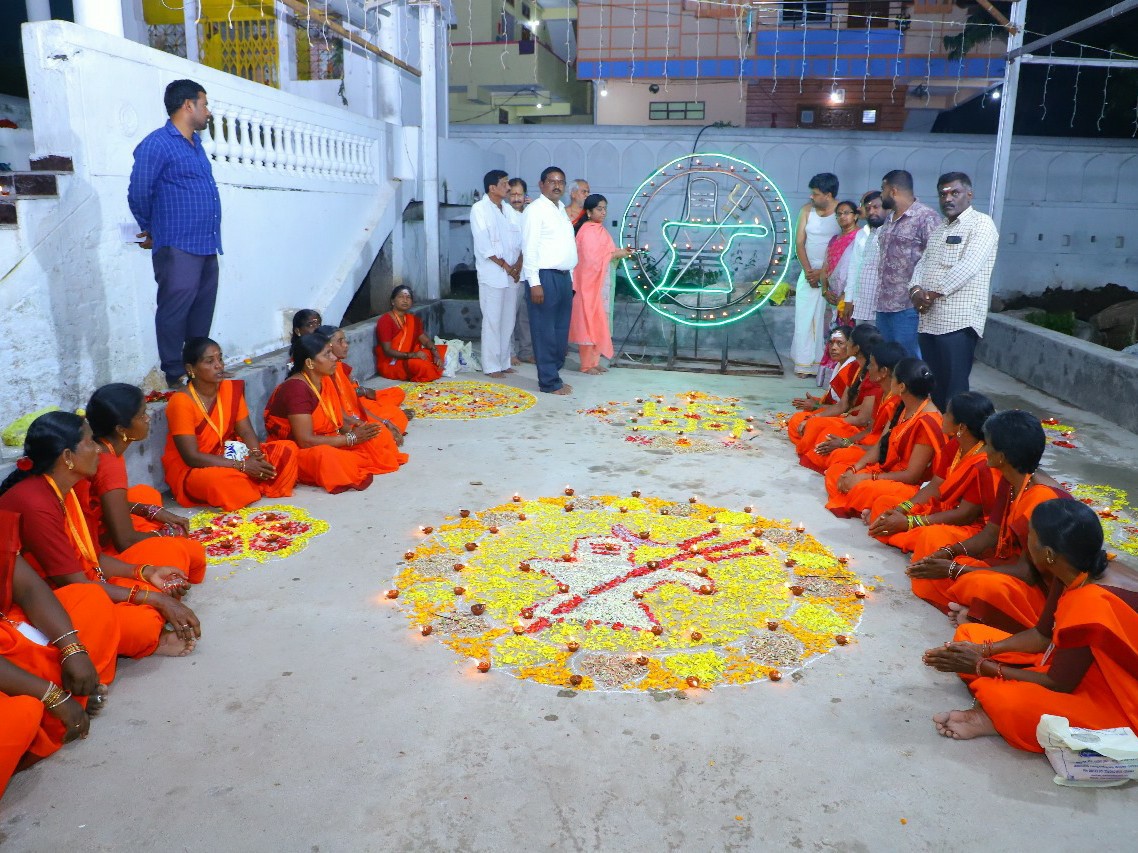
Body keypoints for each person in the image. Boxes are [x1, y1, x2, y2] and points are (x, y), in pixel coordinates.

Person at [923, 499, 1138, 751]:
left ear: (1048, 553)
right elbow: (1041, 635)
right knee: (969, 634)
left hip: (1118, 700)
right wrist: (983, 651)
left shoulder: (1090, 603)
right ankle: (990, 710)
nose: (1026, 543)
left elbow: (1059, 684)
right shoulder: (1072, 570)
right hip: (1069, 664)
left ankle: (992, 715)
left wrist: (981, 666)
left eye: (1031, 537)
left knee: (1008, 700)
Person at [0, 413, 200, 659]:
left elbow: (92, 557)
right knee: (140, 626)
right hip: (49, 602)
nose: (98, 449)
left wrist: (146, 572)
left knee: (171, 554)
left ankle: (145, 624)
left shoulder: (71, 488)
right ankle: (147, 637)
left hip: (89, 582)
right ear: (67, 457)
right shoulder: (35, 502)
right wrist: (154, 598)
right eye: (90, 442)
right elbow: (76, 585)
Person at [907, 410, 1070, 632]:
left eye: (988, 444)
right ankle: (975, 610)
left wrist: (955, 569)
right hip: (1005, 563)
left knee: (978, 584)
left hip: (1041, 592)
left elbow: (1027, 573)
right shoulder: (1010, 480)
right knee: (934, 541)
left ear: (1001, 456)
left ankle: (980, 612)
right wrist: (949, 552)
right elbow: (990, 534)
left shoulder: (1041, 498)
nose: (984, 449)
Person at [1, 509, 118, 796]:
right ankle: (59, 703)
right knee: (19, 716)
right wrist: (51, 696)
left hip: (11, 633)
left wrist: (72, 649)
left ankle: (61, 701)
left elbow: (27, 588)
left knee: (90, 600)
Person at [127, 79, 222, 389]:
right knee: (174, 309)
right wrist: (153, 229)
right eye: (204, 104)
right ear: (188, 106)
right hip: (178, 243)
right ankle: (174, 371)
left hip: (206, 242)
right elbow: (139, 191)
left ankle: (199, 370)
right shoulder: (157, 143)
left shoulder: (196, 145)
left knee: (201, 310)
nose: (208, 111)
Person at [81, 384, 207, 585]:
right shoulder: (108, 463)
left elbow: (103, 502)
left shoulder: (106, 449)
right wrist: (167, 534)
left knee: (145, 495)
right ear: (122, 429)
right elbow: (125, 541)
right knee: (190, 552)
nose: (148, 419)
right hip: (96, 550)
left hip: (102, 525)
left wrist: (151, 511)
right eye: (141, 415)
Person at [163, 338, 299, 510]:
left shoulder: (229, 389)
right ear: (191, 369)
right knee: (221, 483)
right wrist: (243, 466)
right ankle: (250, 481)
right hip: (198, 469)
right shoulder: (181, 402)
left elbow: (246, 431)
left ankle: (250, 479)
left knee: (288, 450)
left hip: (231, 455)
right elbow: (192, 457)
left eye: (220, 359)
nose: (219, 365)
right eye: (210, 361)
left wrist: (257, 456)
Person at [266, 333, 408, 493]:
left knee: (377, 433)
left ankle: (355, 460)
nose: (334, 358)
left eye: (332, 352)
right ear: (309, 363)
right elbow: (305, 441)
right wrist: (351, 439)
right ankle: (352, 462)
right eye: (327, 354)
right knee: (328, 457)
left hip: (331, 439)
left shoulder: (323, 379)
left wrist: (362, 429)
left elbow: (338, 419)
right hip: (304, 450)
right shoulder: (296, 389)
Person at [868, 392, 998, 566]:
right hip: (941, 511)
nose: (942, 416)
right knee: (884, 504)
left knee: (930, 538)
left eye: (947, 414)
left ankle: (911, 540)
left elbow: (965, 515)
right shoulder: (956, 445)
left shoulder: (984, 463)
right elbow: (935, 485)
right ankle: (908, 538)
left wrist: (909, 522)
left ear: (961, 427)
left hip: (968, 527)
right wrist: (901, 509)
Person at [911, 172, 1000, 411]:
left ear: (969, 195)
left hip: (958, 322)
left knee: (955, 388)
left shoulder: (981, 224)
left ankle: (955, 442)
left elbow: (969, 266)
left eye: (954, 193)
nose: (947, 198)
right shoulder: (940, 229)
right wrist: (916, 290)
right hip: (929, 320)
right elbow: (923, 263)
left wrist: (930, 295)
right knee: (934, 385)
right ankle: (936, 437)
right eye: (943, 194)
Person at [825, 358, 944, 518]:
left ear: (901, 387)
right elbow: (881, 444)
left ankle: (867, 504)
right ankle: (864, 505)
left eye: (893, 378)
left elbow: (911, 476)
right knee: (836, 471)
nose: (890, 381)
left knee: (863, 488)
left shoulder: (928, 421)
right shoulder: (903, 405)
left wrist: (867, 477)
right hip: (885, 470)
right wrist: (854, 469)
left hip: (907, 485)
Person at [797, 337, 902, 474]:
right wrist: (845, 442)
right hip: (866, 441)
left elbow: (881, 446)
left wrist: (846, 444)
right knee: (820, 434)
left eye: (872, 365)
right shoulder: (881, 392)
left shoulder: (896, 401)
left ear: (883, 372)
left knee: (835, 459)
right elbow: (870, 429)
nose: (868, 368)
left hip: (879, 453)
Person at [521, 166, 578, 395]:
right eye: (552, 181)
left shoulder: (561, 209)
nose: (557, 185)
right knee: (544, 332)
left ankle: (554, 375)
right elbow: (529, 247)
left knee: (560, 332)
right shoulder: (535, 210)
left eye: (561, 182)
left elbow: (566, 246)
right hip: (544, 277)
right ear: (542, 184)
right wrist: (534, 282)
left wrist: (570, 280)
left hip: (563, 278)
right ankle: (548, 382)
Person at [875, 170, 941, 357]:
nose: (881, 194)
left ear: (893, 191)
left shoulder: (926, 217)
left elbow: (935, 258)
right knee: (886, 361)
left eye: (883, 189)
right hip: (883, 305)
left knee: (909, 362)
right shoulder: (889, 219)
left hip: (908, 307)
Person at [570, 194, 632, 375]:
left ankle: (595, 361)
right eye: (599, 209)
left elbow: (607, 253)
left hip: (602, 284)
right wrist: (614, 255)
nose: (603, 212)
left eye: (605, 208)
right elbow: (591, 260)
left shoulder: (600, 230)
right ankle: (586, 364)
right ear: (588, 212)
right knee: (588, 321)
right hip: (589, 285)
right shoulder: (587, 231)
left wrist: (621, 252)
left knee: (600, 320)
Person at [471, 170, 522, 378]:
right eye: (504, 183)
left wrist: (518, 265)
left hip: (512, 275)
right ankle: (491, 365)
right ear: (492, 188)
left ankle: (503, 361)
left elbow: (521, 240)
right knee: (492, 320)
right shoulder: (479, 209)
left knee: (508, 320)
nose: (508, 188)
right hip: (493, 273)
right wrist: (507, 267)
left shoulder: (509, 211)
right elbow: (484, 245)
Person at [790, 173, 841, 378]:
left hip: (833, 273)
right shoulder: (806, 210)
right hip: (808, 270)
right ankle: (803, 364)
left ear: (828, 195)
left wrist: (824, 273)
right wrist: (808, 271)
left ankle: (823, 364)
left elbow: (844, 245)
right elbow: (799, 243)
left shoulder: (842, 211)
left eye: (816, 194)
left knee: (826, 320)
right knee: (804, 317)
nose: (811, 197)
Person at [320, 325, 411, 435]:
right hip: (345, 423)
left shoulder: (338, 367)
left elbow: (353, 401)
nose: (346, 345)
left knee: (396, 398)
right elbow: (339, 415)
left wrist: (383, 422)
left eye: (345, 340)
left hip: (356, 411)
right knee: (387, 427)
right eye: (340, 342)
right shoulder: (322, 374)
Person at [815, 200, 861, 386]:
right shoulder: (834, 239)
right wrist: (825, 290)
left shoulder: (860, 237)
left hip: (848, 298)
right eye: (839, 214)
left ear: (856, 215)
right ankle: (831, 381)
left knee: (846, 337)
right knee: (831, 336)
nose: (842, 217)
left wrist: (845, 295)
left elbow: (857, 270)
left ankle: (845, 379)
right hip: (831, 295)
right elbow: (826, 266)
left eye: (846, 213)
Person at [785, 327, 856, 439]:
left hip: (847, 418)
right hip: (838, 412)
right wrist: (816, 402)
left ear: (851, 345)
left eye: (840, 343)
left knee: (798, 420)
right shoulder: (841, 365)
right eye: (831, 343)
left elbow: (845, 407)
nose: (833, 348)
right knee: (801, 419)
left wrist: (816, 406)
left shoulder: (850, 369)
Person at [375, 286, 446, 382]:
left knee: (439, 351)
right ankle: (431, 368)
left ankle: (433, 364)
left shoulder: (412, 320)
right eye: (401, 297)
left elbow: (425, 340)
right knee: (421, 366)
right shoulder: (385, 320)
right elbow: (387, 351)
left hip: (410, 356)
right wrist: (413, 355)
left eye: (408, 297)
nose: (405, 300)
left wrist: (436, 354)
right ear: (392, 301)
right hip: (393, 362)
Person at [843, 191, 886, 324]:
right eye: (867, 208)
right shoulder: (862, 234)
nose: (872, 211)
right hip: (862, 301)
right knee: (861, 341)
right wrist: (848, 299)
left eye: (876, 207)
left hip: (883, 304)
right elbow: (854, 267)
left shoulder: (891, 232)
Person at [507, 178, 534, 365]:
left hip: (529, 274)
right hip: (510, 273)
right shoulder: (503, 213)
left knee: (526, 317)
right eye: (513, 194)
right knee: (509, 316)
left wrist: (532, 210)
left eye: (520, 194)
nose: (516, 198)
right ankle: (509, 353)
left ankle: (526, 351)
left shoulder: (530, 213)